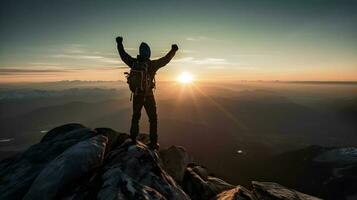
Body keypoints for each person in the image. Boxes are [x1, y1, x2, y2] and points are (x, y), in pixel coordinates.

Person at [116, 36, 178, 150]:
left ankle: (133, 138)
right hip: (149, 96)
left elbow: (123, 55)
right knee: (153, 118)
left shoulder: (134, 62)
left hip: (137, 95)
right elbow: (165, 60)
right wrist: (173, 51)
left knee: (136, 116)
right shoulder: (152, 65)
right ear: (149, 53)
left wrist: (119, 43)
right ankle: (153, 143)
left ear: (140, 52)